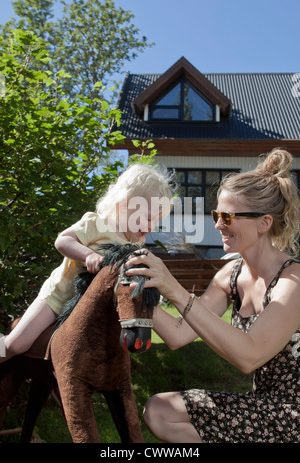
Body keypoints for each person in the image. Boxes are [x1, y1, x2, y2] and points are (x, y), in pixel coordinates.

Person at [125, 148, 300, 443]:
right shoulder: (229, 275)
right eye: (217, 214)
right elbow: (179, 335)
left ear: (264, 223)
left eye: (228, 216)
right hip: (264, 409)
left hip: (292, 415)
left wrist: (173, 289)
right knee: (158, 411)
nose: (218, 224)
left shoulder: (293, 280)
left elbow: (249, 356)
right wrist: (129, 288)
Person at [0, 163, 173, 363]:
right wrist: (88, 255)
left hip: (90, 310)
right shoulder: (98, 223)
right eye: (147, 218)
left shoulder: (135, 244)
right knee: (17, 344)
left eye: (156, 222)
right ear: (125, 204)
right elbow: (63, 240)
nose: (150, 227)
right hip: (58, 298)